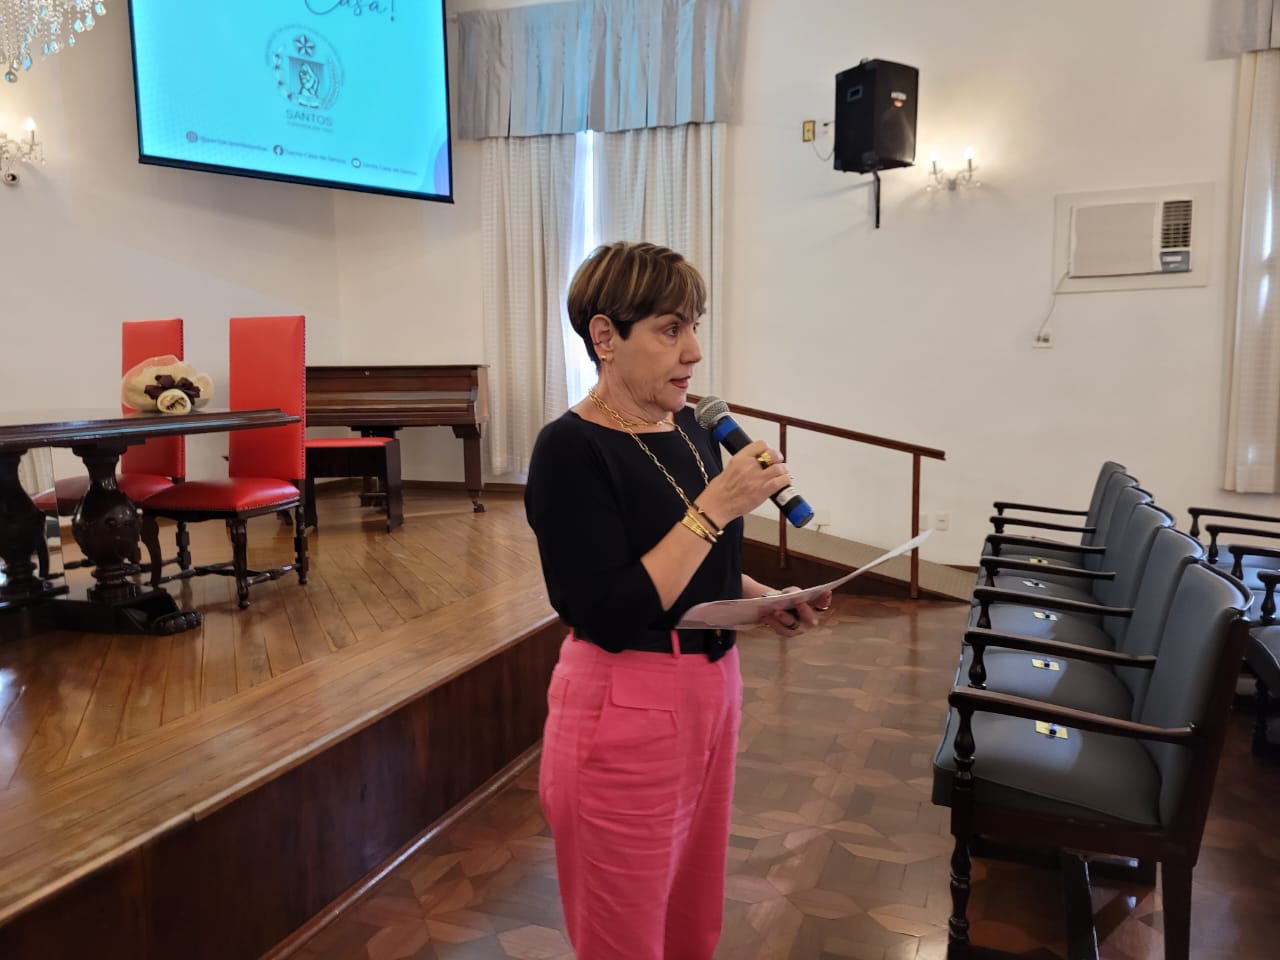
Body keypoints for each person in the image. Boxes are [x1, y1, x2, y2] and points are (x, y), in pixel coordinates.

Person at [524, 241, 832, 959]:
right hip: (624, 704)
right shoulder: (570, 448)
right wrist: (715, 507)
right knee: (625, 936)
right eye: (670, 329)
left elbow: (700, 567)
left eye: (693, 326)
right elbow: (606, 608)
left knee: (693, 922)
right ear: (605, 336)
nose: (692, 350)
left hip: (712, 688)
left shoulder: (692, 429)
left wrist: (764, 598)